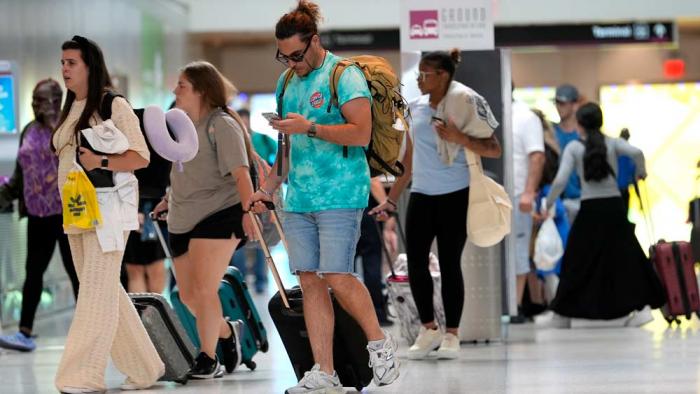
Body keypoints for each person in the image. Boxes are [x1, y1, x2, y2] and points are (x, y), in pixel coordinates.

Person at [249, 2, 400, 392]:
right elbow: (286, 149)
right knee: (310, 281)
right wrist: (266, 190)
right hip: (298, 197)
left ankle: (380, 345)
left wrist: (311, 127)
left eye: (297, 55)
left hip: (341, 192)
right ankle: (324, 372)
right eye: (283, 56)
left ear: (314, 41)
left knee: (337, 274)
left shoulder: (343, 75)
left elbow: (361, 133)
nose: (291, 63)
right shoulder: (286, 83)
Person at [370, 49, 502, 359]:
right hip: (421, 194)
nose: (418, 79)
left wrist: (459, 137)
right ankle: (428, 329)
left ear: (442, 75)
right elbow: (408, 160)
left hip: (456, 194)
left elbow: (493, 148)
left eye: (424, 74)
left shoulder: (465, 102)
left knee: (450, 262)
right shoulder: (415, 109)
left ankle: (452, 335)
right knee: (415, 262)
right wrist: (390, 201)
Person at [52, 35, 163, 393]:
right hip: (77, 210)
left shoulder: (113, 105)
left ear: (89, 66)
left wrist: (100, 160)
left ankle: (83, 375)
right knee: (103, 291)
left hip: (109, 213)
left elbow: (141, 156)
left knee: (95, 294)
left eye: (72, 63)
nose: (65, 69)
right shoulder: (72, 106)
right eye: (63, 62)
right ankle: (146, 367)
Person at [152, 60, 255, 378]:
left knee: (205, 289)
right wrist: (168, 199)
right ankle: (226, 333)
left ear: (201, 90)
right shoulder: (182, 126)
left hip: (219, 215)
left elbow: (241, 172)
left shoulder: (221, 123)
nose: (175, 90)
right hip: (181, 216)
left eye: (182, 85)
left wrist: (249, 211)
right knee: (187, 295)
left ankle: (207, 357)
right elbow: (181, 172)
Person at [539, 102, 665, 324]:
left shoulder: (574, 148)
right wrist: (641, 172)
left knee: (576, 260)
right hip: (614, 207)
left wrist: (547, 204)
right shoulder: (612, 143)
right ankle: (644, 309)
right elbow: (637, 152)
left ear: (579, 124)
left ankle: (562, 315)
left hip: (590, 209)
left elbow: (560, 180)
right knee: (628, 258)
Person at [0, 79, 79, 352]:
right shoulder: (29, 130)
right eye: (34, 100)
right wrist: (5, 195)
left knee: (76, 273)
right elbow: (21, 175)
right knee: (32, 273)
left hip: (69, 214)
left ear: (57, 100)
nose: (35, 105)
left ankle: (89, 331)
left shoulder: (69, 129)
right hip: (38, 214)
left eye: (40, 100)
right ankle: (25, 331)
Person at [122, 107, 172, 293]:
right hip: (155, 207)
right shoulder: (163, 145)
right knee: (154, 269)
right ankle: (152, 319)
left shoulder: (127, 145)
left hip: (134, 205)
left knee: (137, 270)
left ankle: (142, 319)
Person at [230, 108, 275, 294]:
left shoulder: (262, 139)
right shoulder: (231, 142)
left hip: (261, 196)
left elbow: (279, 157)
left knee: (258, 240)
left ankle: (260, 281)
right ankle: (241, 280)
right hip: (237, 197)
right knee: (240, 242)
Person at [510, 95, 545, 323]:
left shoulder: (525, 117)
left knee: (519, 249)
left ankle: (516, 306)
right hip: (493, 194)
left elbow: (537, 156)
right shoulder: (490, 113)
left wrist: (528, 193)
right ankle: (510, 306)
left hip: (517, 193)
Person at [553, 84, 583, 223]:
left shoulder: (584, 136)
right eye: (557, 102)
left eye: (563, 103)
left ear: (575, 105)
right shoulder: (551, 134)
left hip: (582, 201)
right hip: (557, 202)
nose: (559, 107)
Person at [616, 128, 637, 215]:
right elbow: (634, 176)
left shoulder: (613, 152)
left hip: (615, 192)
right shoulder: (631, 153)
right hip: (622, 191)